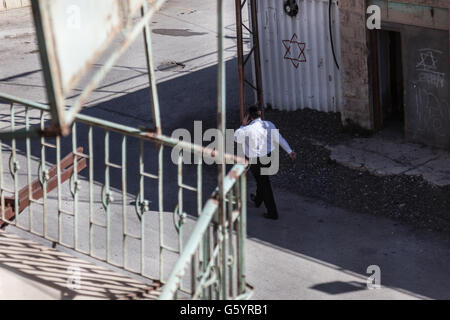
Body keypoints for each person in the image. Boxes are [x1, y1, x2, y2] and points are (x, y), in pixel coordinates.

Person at [234, 106, 296, 220]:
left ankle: (272, 212)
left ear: (249, 117)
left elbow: (236, 138)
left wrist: (242, 125)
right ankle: (257, 200)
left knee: (263, 182)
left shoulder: (246, 130)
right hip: (269, 157)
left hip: (255, 160)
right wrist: (289, 151)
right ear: (260, 114)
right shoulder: (269, 124)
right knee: (261, 180)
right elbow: (279, 139)